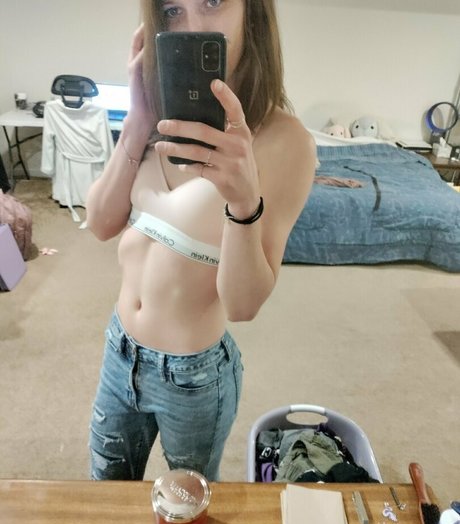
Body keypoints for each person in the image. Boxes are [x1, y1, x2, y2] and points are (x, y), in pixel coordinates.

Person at [86, 0, 316, 481]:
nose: (189, 26)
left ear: (251, 13)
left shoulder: (284, 140)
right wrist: (137, 121)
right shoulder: (155, 118)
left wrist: (244, 202)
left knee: (187, 502)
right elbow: (101, 222)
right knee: (104, 493)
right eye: (172, 9)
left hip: (193, 377)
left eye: (212, 2)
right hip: (119, 349)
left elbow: (243, 306)